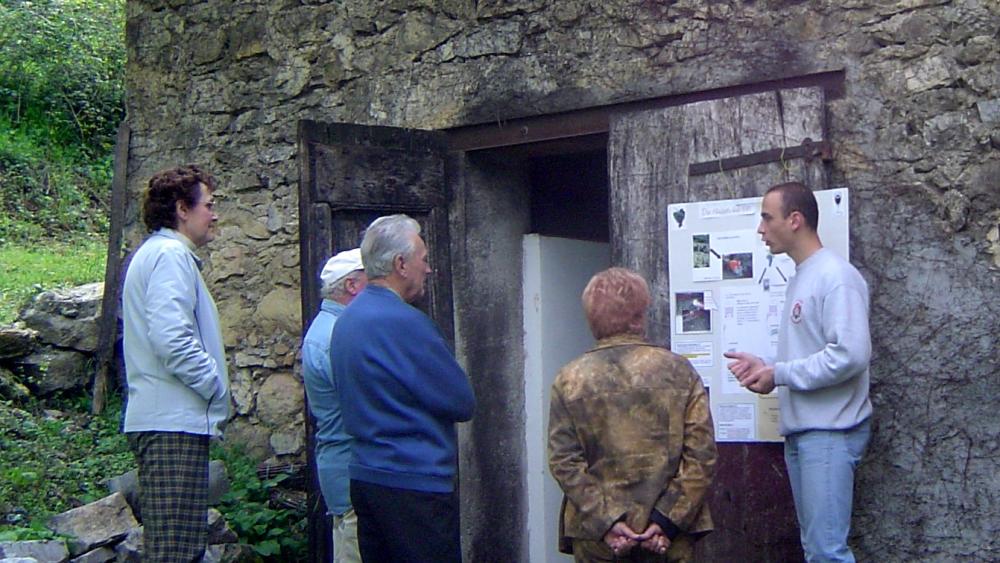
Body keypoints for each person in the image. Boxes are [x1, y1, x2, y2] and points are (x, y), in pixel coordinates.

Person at [725, 182, 873, 563]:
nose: (760, 229)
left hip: (829, 433)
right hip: (808, 434)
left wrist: (780, 374)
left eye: (766, 217)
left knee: (827, 553)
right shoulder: (803, 276)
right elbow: (813, 356)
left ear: (795, 220)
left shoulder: (836, 277)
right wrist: (768, 370)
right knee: (817, 550)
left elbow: (851, 355)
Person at [330, 214, 476, 563]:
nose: (428, 269)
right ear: (401, 264)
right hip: (413, 482)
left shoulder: (346, 320)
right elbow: (461, 401)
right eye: (423, 260)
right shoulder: (407, 324)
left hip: (366, 476)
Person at [548, 267, 717, 563]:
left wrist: (609, 521)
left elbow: (564, 461)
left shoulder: (569, 379)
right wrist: (665, 521)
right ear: (638, 317)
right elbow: (701, 455)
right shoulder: (680, 372)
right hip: (669, 536)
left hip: (598, 538)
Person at [121, 165, 230, 562]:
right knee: (176, 554)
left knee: (179, 550)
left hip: (168, 420)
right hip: (171, 424)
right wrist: (214, 384)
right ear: (183, 209)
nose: (215, 215)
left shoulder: (162, 254)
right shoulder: (169, 256)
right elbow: (172, 338)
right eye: (210, 205)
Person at [302, 248, 367, 563]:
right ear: (353, 286)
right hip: (351, 470)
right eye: (372, 279)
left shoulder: (329, 329)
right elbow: (363, 405)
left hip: (343, 470)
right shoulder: (335, 336)